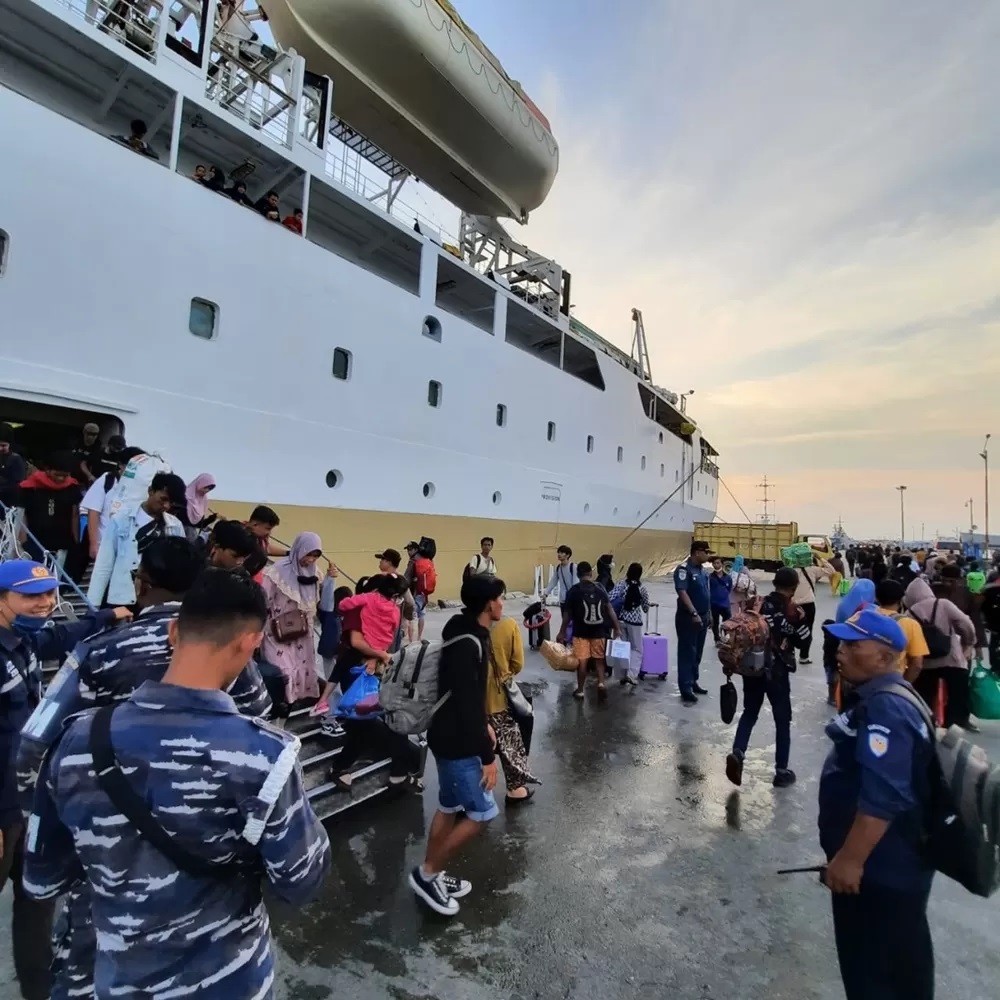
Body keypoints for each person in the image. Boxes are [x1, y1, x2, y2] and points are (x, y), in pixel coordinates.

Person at [23, 569, 331, 998]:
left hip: (118, 979)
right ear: (250, 643)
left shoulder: (75, 741)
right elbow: (301, 880)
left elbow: (43, 879)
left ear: (172, 631)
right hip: (228, 980)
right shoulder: (265, 757)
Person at [0, 560, 128, 1000]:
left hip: (27, 802)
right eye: (30, 596)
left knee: (35, 905)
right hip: (1, 814)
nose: (45, 604)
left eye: (50, 594)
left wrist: (109, 616)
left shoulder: (27, 639)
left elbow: (61, 635)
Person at [818, 610, 935, 1000]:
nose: (840, 652)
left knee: (874, 977)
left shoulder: (886, 707)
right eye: (841, 643)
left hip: (879, 872)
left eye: (854, 646)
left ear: (886, 657)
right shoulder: (887, 696)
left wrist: (850, 859)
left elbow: (883, 798)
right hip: (883, 866)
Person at [409, 574, 504, 917]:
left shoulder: (464, 632)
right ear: (487, 603)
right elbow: (465, 703)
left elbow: (469, 697)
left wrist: (487, 725)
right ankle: (428, 872)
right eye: (499, 598)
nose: (502, 604)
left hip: (447, 735)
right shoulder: (469, 643)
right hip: (458, 741)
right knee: (481, 813)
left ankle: (432, 871)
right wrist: (487, 755)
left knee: (448, 806)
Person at [725, 567, 807, 788]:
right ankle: (781, 770)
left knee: (750, 712)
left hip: (753, 665)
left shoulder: (756, 603)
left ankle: (738, 752)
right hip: (778, 671)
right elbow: (803, 642)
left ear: (774, 583)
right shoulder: (794, 611)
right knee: (782, 720)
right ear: (793, 587)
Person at [87, 472, 186, 607]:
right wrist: (93, 603)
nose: (166, 506)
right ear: (151, 491)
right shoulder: (121, 519)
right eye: (163, 499)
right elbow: (104, 563)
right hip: (122, 596)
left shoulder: (174, 526)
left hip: (154, 598)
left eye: (171, 503)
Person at [904, 577, 977, 730]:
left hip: (925, 663)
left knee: (924, 696)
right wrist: (968, 643)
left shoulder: (909, 613)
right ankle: (957, 723)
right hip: (952, 659)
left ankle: (926, 724)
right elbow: (965, 623)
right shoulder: (943, 604)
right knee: (959, 693)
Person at [260, 531, 323, 704]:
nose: (310, 560)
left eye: (315, 556)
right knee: (283, 670)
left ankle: (287, 708)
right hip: (276, 631)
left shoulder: (315, 573)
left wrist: (331, 580)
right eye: (308, 554)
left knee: (300, 668)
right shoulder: (276, 572)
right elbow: (264, 600)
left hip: (302, 632)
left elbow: (319, 603)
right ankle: (278, 707)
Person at [486, 614, 538, 803]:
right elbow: (517, 664)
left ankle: (471, 790)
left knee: (475, 746)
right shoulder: (507, 625)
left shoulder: (460, 626)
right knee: (510, 744)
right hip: (498, 697)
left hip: (470, 701)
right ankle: (515, 789)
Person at [559, 561, 621, 702]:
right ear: (591, 574)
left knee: (582, 662)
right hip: (599, 631)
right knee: (599, 660)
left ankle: (580, 690)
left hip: (580, 633)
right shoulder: (600, 589)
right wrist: (616, 628)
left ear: (577, 574)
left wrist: (562, 632)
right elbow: (609, 609)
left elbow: (567, 615)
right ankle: (600, 683)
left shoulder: (574, 591)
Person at [17, 453, 82, 568]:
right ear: (47, 470)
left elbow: (75, 515)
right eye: (57, 474)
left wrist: (76, 540)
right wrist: (23, 538)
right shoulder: (30, 487)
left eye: (65, 476)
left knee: (56, 575)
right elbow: (22, 514)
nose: (61, 479)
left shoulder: (72, 487)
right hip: (34, 539)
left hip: (62, 540)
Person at [80, 446, 144, 561]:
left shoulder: (141, 488)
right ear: (121, 465)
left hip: (121, 550)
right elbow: (93, 512)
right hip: (100, 544)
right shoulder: (107, 480)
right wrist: (93, 544)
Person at [674, 540, 713, 704]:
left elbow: (706, 593)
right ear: (697, 552)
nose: (708, 555)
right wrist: (693, 612)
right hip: (689, 617)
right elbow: (682, 592)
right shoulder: (684, 570)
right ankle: (686, 687)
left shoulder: (703, 571)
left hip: (703, 615)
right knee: (687, 652)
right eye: (706, 552)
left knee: (697, 652)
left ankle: (693, 680)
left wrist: (709, 613)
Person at [872, 579, 929, 682]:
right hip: (893, 681)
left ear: (876, 597)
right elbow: (917, 664)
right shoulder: (910, 624)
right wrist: (904, 685)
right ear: (901, 599)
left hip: (865, 679)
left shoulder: (862, 617)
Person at [608, 562, 654, 688]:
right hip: (635, 622)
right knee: (636, 649)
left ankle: (621, 675)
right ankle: (632, 674)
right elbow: (645, 608)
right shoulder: (642, 588)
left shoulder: (621, 585)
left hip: (621, 620)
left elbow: (609, 597)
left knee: (621, 648)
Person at [179, 472, 217, 541]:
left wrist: (209, 520)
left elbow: (197, 524)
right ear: (200, 483)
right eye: (206, 487)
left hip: (191, 537)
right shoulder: (184, 495)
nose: (207, 490)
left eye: (210, 489)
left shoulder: (203, 501)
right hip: (178, 534)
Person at [542, 545, 578, 614]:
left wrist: (574, 597)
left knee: (572, 621)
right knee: (564, 620)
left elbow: (575, 583)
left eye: (562, 553)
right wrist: (546, 593)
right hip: (563, 600)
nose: (559, 554)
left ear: (567, 555)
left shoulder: (573, 567)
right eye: (558, 552)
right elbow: (553, 581)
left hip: (572, 600)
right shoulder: (558, 568)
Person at [412, 543, 436, 641]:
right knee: (421, 615)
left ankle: (411, 639)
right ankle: (419, 637)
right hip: (424, 592)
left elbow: (409, 576)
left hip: (415, 592)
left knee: (412, 616)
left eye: (410, 550)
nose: (409, 552)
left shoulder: (414, 561)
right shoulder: (429, 561)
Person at [0, 430, 26, 512]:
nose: (0, 448)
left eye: (3, 445)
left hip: (8, 500)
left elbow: (18, 482)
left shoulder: (15, 459)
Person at [709, 556, 733, 641]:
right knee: (715, 623)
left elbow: (729, 589)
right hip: (714, 604)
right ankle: (717, 639)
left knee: (727, 623)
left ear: (722, 564)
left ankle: (726, 638)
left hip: (725, 605)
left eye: (718, 563)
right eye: (714, 563)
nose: (716, 565)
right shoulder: (710, 578)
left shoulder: (728, 578)